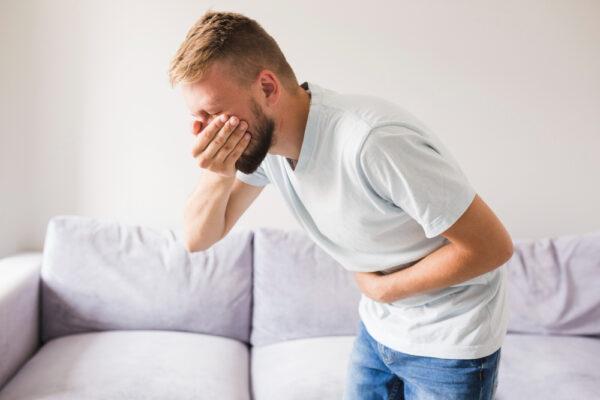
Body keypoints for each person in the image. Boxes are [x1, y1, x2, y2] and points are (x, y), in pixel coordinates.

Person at [168, 9, 513, 400]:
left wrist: (385, 289)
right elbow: (198, 238)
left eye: (213, 113)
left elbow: (492, 247)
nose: (205, 132)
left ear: (267, 88)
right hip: (380, 327)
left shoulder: (372, 142)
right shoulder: (266, 149)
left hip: (452, 337)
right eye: (197, 118)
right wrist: (218, 169)